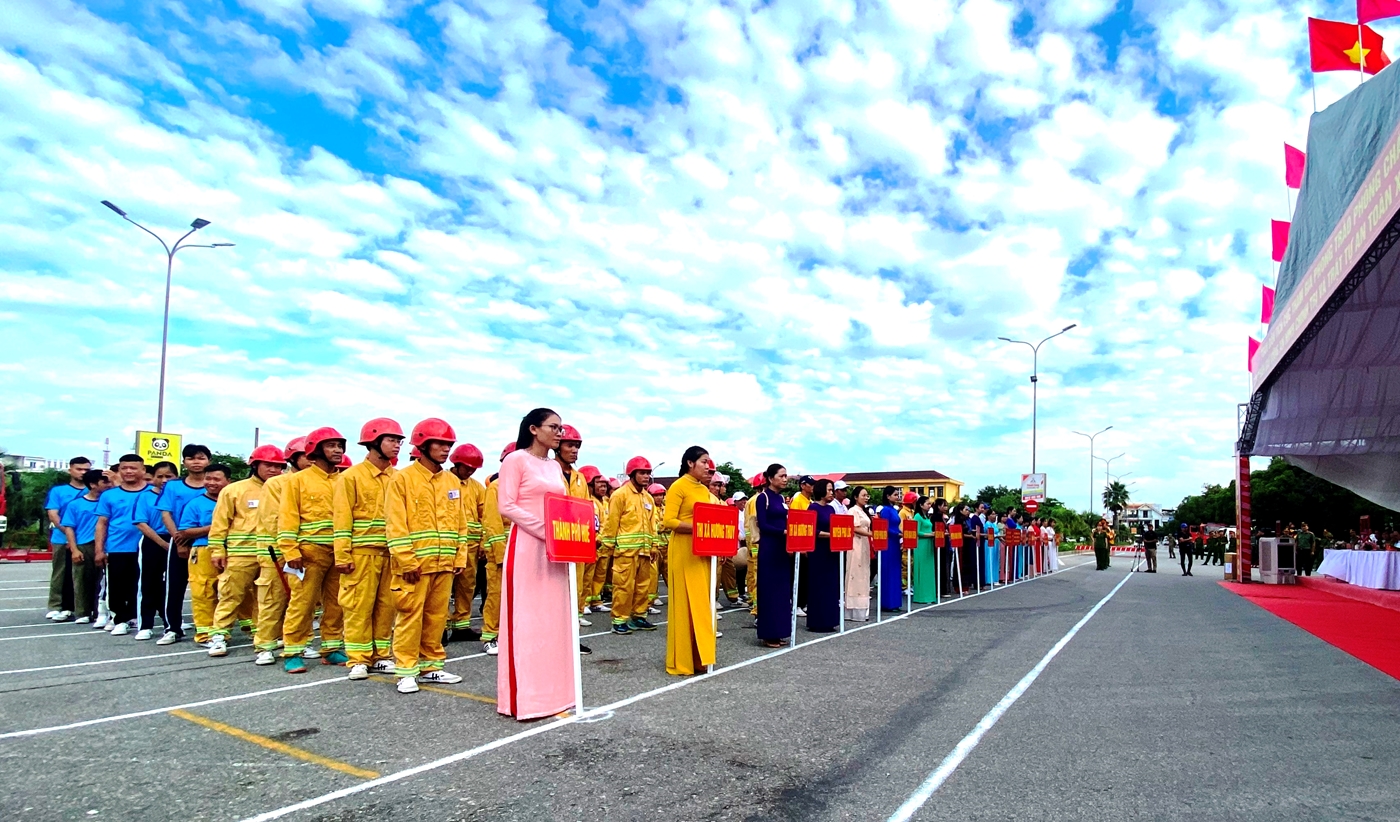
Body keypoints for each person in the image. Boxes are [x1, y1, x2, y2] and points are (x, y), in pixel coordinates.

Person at [497, 409, 575, 718]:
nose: (559, 433)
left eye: (561, 428)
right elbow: (506, 505)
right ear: (533, 429)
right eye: (553, 427)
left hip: (556, 548)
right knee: (527, 620)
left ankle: (557, 693)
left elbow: (563, 505)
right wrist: (544, 530)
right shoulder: (515, 460)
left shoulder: (554, 466)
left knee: (555, 619)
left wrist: (570, 533)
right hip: (528, 545)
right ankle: (526, 698)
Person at [384, 418, 470, 694]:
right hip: (415, 567)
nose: (446, 450)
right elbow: (395, 524)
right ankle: (406, 670)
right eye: (440, 444)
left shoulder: (452, 481)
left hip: (444, 564)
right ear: (423, 445)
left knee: (436, 617)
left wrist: (459, 557)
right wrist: (406, 560)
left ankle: (432, 666)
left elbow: (460, 524)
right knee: (410, 616)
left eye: (449, 445)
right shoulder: (402, 479)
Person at [333, 418, 404, 679]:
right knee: (358, 607)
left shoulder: (399, 478)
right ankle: (358, 659)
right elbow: (342, 519)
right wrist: (342, 554)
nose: (397, 445)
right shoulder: (350, 477)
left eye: (399, 441)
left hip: (391, 553)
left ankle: (381, 655)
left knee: (387, 606)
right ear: (373, 442)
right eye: (391, 440)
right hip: (361, 553)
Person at [278, 427, 348, 673]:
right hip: (309, 552)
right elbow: (287, 517)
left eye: (339, 446)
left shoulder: (344, 480)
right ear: (316, 450)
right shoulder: (297, 480)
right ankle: (293, 651)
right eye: (331, 446)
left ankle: (331, 648)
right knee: (303, 603)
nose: (337, 450)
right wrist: (290, 551)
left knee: (337, 603)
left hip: (339, 551)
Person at [206, 445, 284, 660]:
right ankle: (219, 635)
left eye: (278, 466)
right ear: (255, 465)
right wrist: (217, 549)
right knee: (231, 595)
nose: (273, 470)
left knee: (268, 598)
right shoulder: (234, 490)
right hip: (241, 552)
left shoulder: (283, 489)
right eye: (268, 465)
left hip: (272, 553)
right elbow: (220, 522)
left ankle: (263, 635)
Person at [244, 437, 305, 660]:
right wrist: (290, 548)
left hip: (304, 551)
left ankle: (299, 642)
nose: (311, 460)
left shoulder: (314, 482)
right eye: (306, 456)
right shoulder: (276, 484)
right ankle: (265, 646)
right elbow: (273, 520)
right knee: (272, 600)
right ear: (293, 458)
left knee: (300, 602)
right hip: (276, 552)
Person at [663, 446, 719, 674]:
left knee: (703, 604)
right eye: (704, 461)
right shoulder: (678, 486)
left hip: (703, 552)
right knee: (685, 604)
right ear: (690, 463)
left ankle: (701, 657)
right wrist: (699, 528)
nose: (708, 466)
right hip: (684, 550)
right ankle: (683, 659)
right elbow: (669, 521)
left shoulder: (704, 489)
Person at [156, 444, 211, 643]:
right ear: (184, 462)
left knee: (209, 587)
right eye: (191, 458)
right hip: (180, 540)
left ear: (209, 461)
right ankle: (172, 627)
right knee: (175, 586)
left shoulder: (216, 485)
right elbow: (166, 513)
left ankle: (212, 628)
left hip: (209, 542)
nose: (196, 462)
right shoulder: (173, 486)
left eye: (201, 458)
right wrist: (179, 539)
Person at [94, 455, 152, 635]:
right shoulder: (109, 495)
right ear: (119, 471)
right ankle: (118, 619)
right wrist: (99, 550)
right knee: (116, 586)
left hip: (145, 548)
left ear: (143, 470)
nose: (128, 471)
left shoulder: (152, 493)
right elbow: (102, 523)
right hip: (117, 547)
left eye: (133, 468)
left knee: (142, 585)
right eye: (124, 468)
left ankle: (136, 615)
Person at [602, 456, 659, 635]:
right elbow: (612, 522)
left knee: (643, 586)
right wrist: (608, 546)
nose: (646, 476)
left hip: (645, 551)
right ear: (632, 474)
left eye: (648, 473)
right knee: (623, 586)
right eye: (642, 473)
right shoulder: (620, 495)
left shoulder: (648, 498)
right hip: (625, 552)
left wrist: (654, 545)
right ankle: (619, 620)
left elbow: (653, 524)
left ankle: (639, 616)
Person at [175, 464, 232, 644]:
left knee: (235, 591)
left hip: (234, 550)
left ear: (228, 481)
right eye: (208, 478)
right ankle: (205, 634)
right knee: (204, 592)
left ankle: (246, 630)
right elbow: (185, 532)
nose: (211, 483)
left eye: (217, 479)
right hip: (203, 550)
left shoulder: (234, 499)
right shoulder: (195, 503)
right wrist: (218, 526)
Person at [59, 469, 112, 624]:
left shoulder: (109, 501)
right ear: (93, 484)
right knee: (82, 580)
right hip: (84, 545)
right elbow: (69, 528)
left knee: (104, 582)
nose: (108, 485)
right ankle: (83, 612)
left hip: (106, 545)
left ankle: (100, 612)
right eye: (104, 482)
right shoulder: (75, 504)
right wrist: (74, 549)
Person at [446, 444, 487, 642]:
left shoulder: (477, 488)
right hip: (447, 544)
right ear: (457, 463)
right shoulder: (444, 481)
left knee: (466, 586)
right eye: (468, 467)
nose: (470, 471)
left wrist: (483, 543)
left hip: (470, 547)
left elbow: (484, 516)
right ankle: (440, 627)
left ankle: (461, 626)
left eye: (474, 469)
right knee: (443, 588)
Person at [477, 444, 514, 656]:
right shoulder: (496, 487)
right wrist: (501, 555)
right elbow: (492, 523)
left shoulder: (524, 486)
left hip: (521, 553)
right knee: (497, 596)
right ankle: (490, 636)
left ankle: (510, 635)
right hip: (502, 554)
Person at [554, 425, 592, 632]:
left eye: (577, 446)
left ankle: (572, 636)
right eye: (570, 445)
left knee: (576, 587)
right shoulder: (547, 471)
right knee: (555, 590)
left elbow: (585, 510)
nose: (574, 450)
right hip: (554, 542)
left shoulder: (580, 478)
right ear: (557, 446)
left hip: (576, 543)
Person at [44, 456, 91, 622]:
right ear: (70, 470)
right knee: (60, 573)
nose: (83, 472)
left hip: (86, 539)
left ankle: (80, 607)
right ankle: (55, 605)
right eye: (79, 469)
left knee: (83, 575)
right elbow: (53, 514)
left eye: (86, 469)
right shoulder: (58, 491)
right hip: (61, 538)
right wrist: (68, 533)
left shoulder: (94, 490)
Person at [754, 465, 791, 647]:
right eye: (781, 476)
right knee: (769, 590)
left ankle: (780, 631)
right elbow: (763, 524)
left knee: (782, 592)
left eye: (786, 476)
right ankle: (768, 633)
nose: (785, 479)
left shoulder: (781, 499)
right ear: (770, 478)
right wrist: (783, 531)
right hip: (769, 548)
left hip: (783, 549)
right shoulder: (763, 498)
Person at [805, 479, 840, 633]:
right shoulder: (813, 507)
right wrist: (830, 534)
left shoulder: (831, 509)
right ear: (821, 490)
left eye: (832, 490)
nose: (832, 493)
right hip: (818, 550)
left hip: (831, 550)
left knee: (831, 585)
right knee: (818, 585)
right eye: (829, 490)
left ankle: (830, 619)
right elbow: (811, 530)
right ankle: (817, 621)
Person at [709, 474, 740, 606]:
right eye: (716, 485)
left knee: (729, 570)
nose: (720, 488)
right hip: (712, 544)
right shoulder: (707, 501)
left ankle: (733, 597)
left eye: (720, 485)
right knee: (715, 573)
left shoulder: (722, 503)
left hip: (724, 544)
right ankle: (713, 599)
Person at [874, 487, 904, 613]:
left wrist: (902, 533)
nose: (897, 497)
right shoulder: (885, 510)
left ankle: (895, 602)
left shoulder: (894, 510)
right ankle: (887, 603)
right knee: (888, 572)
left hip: (895, 543)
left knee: (895, 572)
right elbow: (884, 527)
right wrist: (897, 534)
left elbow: (896, 526)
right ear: (888, 496)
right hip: (888, 543)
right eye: (895, 494)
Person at [845, 486, 873, 622]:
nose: (866, 498)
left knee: (864, 575)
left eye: (867, 495)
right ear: (855, 497)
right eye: (863, 495)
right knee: (855, 574)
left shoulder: (863, 511)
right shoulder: (852, 511)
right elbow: (854, 527)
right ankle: (852, 609)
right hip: (855, 543)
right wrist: (871, 534)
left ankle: (863, 609)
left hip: (865, 543)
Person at [912, 496, 939, 603]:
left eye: (930, 503)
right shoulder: (917, 516)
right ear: (921, 505)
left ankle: (929, 595)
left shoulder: (926, 517)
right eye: (927, 503)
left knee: (929, 571)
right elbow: (916, 532)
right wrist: (930, 534)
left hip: (929, 544)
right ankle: (921, 596)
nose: (929, 505)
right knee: (922, 570)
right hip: (921, 545)